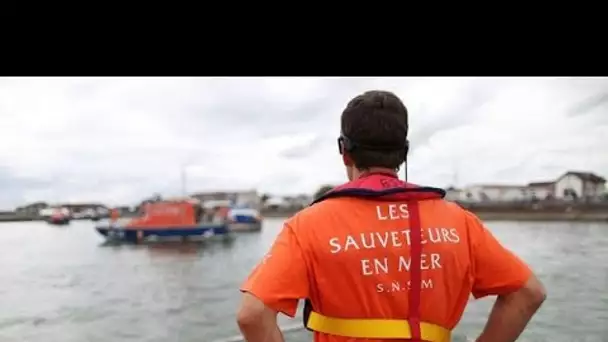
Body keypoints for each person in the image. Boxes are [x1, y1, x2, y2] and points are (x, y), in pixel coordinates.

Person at [236, 90, 546, 342]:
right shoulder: (458, 221)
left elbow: (252, 315)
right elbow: (528, 292)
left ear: (344, 151)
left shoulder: (308, 225)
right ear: (404, 152)